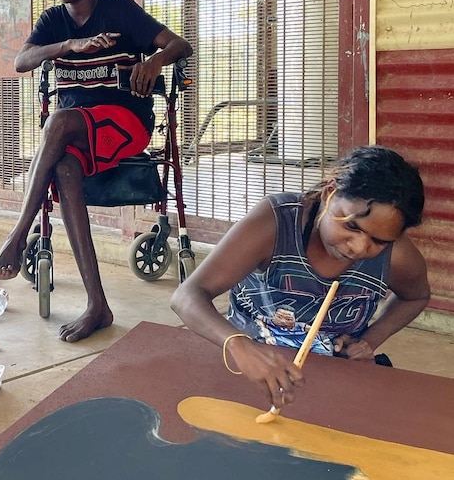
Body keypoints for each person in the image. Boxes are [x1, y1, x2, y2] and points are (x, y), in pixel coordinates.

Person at [0, 0, 193, 343]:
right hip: (76, 131)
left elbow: (179, 45)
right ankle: (97, 304)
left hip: (125, 122)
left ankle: (17, 234)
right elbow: (21, 62)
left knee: (60, 121)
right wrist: (68, 46)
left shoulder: (119, 10)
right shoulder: (53, 22)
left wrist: (151, 62)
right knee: (63, 167)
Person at [171, 145, 430, 410]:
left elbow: (416, 296)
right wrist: (239, 346)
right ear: (330, 193)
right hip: (245, 373)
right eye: (351, 226)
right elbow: (187, 296)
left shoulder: (396, 254)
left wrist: (369, 341)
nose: (359, 247)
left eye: (378, 241)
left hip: (334, 382)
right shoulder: (277, 223)